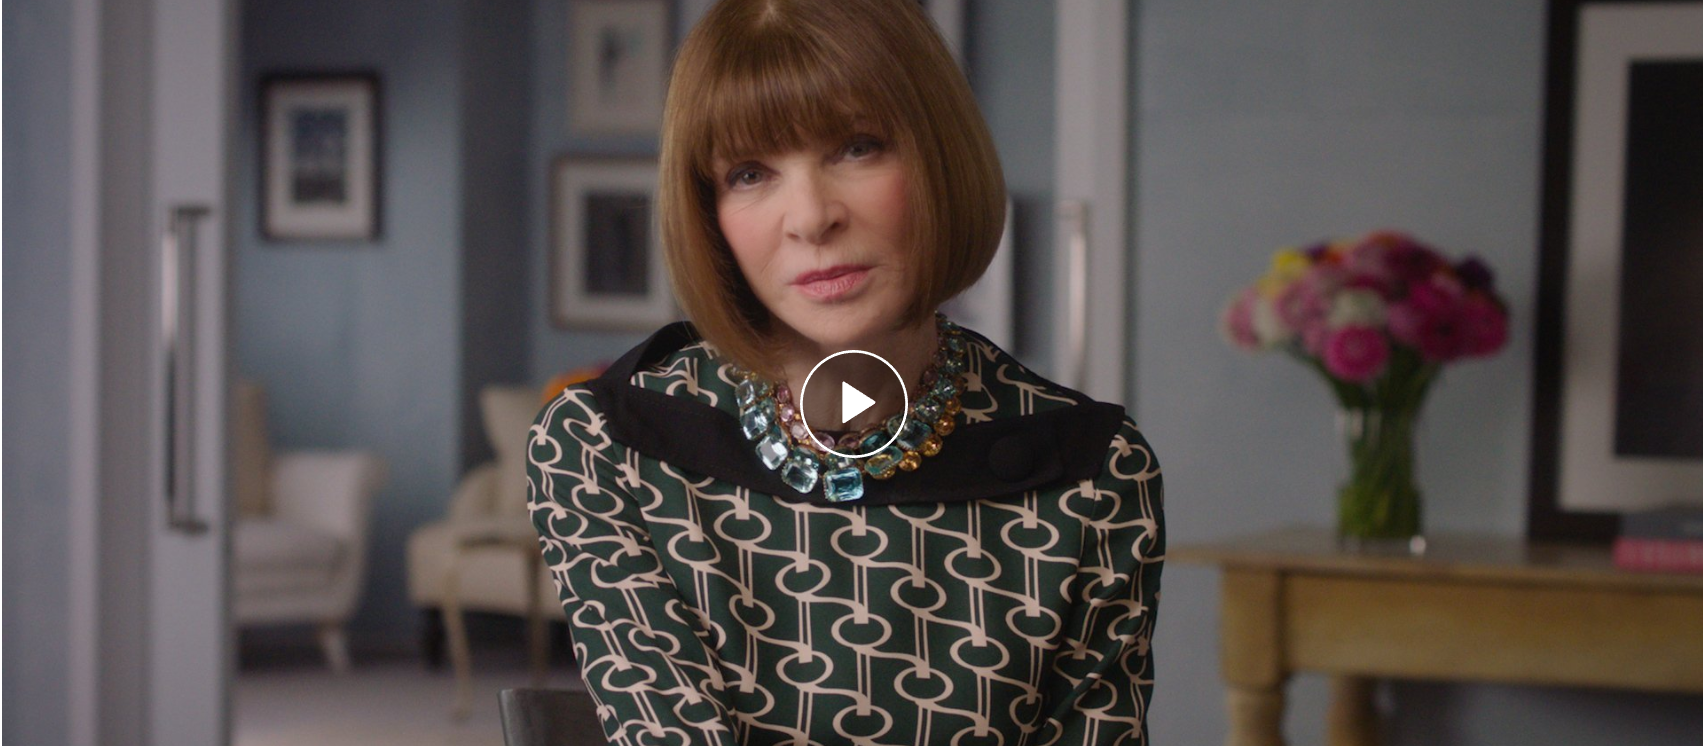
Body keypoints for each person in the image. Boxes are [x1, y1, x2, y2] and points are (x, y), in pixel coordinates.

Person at [526, 0, 1165, 743]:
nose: (810, 217)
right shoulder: (607, 447)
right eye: (750, 172)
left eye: (857, 147)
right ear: (708, 212)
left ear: (940, 157)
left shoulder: (1094, 473)